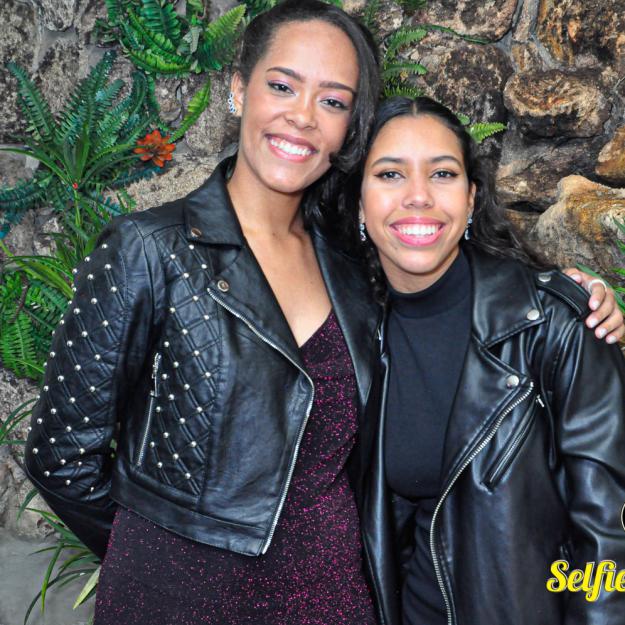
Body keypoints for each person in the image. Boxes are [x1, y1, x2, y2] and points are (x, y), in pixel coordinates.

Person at [22, 2, 620, 623]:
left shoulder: (351, 269)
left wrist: (571, 299)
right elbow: (61, 460)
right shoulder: (149, 249)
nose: (303, 115)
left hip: (333, 598)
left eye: (332, 101)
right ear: (239, 89)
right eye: (282, 86)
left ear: (347, 130)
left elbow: (602, 526)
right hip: (179, 599)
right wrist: (165, 551)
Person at [353, 96, 625, 625]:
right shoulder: (349, 330)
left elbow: (610, 536)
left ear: (472, 198)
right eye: (390, 174)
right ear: (359, 203)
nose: (418, 196)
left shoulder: (553, 323)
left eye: (443, 174)